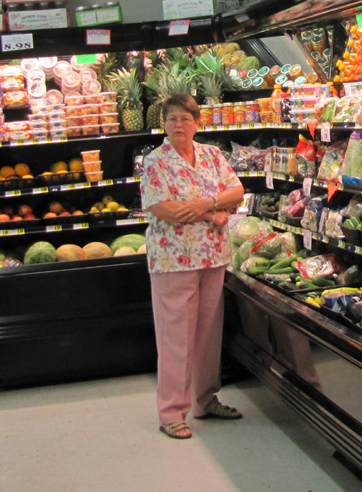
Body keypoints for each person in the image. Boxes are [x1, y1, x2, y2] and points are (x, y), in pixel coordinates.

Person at [140, 94, 245, 439]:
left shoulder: (213, 156)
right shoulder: (156, 161)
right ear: (164, 125)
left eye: (185, 119)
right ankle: (171, 411)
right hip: (174, 259)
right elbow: (163, 208)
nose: (178, 125)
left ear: (197, 123)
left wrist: (206, 203)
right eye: (171, 119)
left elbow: (237, 192)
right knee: (175, 337)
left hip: (213, 256)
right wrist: (212, 212)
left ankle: (204, 400)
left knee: (207, 333)